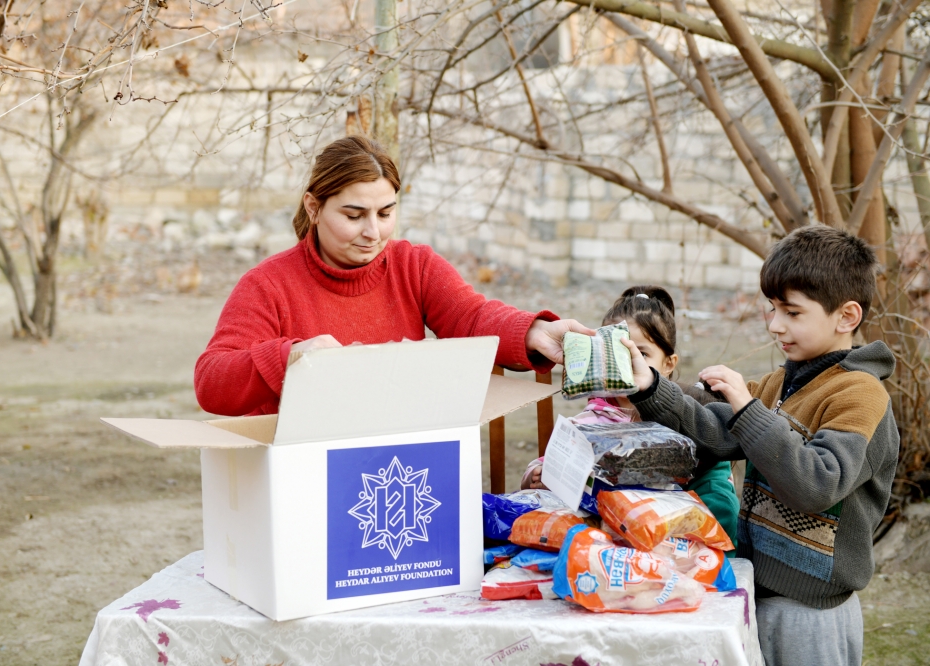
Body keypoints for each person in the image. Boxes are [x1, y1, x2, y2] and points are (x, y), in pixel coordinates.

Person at [621, 227, 898, 666]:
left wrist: (749, 409)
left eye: (791, 312)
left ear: (846, 317)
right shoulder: (782, 383)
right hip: (757, 592)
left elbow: (818, 482)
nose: (774, 325)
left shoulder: (860, 396)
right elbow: (718, 426)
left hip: (811, 612)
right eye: (772, 309)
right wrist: (652, 386)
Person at [194, 136, 594, 416]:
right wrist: (291, 356)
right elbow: (212, 381)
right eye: (354, 216)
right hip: (303, 470)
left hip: (397, 458)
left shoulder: (412, 265)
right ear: (313, 208)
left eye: (385, 213)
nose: (374, 233)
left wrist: (532, 331)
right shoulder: (269, 285)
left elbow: (470, 317)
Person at [520, 285, 740, 548]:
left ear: (669, 364)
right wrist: (538, 474)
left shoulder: (684, 415)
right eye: (617, 353)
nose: (628, 364)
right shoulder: (595, 417)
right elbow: (555, 461)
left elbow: (715, 479)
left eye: (642, 353)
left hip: (676, 536)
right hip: (614, 536)